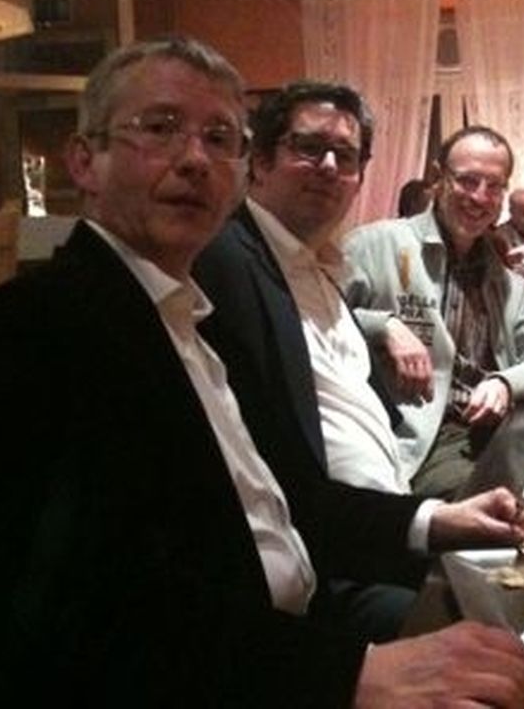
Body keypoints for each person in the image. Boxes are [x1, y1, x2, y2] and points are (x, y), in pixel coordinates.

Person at [0, 38, 524, 708]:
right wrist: (348, 675)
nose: (195, 159)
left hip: (294, 630)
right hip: (252, 672)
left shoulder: (187, 313)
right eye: (160, 128)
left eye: (220, 138)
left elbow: (293, 499)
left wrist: (435, 518)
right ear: (85, 162)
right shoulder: (36, 330)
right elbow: (69, 616)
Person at [194, 80, 414, 642]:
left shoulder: (319, 269)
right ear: (260, 161)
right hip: (329, 565)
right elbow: (273, 473)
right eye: (309, 147)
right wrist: (426, 523)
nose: (329, 167)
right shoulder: (226, 263)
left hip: (384, 530)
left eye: (346, 155)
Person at [342, 126, 524, 499]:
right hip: (424, 442)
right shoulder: (375, 245)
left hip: (499, 430)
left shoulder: (504, 280)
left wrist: (505, 382)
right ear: (438, 179)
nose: (480, 197)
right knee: (511, 507)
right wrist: (384, 326)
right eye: (467, 181)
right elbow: (312, 322)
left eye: (494, 186)